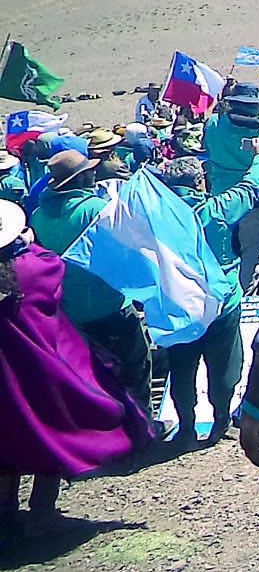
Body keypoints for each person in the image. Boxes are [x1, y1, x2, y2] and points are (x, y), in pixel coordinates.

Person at [0, 201, 152, 542]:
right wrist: (30, 242)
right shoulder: (34, 269)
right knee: (52, 432)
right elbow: (51, 264)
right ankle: (41, 512)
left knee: (5, 443)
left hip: (3, 379)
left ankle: (5, 515)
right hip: (39, 372)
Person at [159, 140, 259, 446]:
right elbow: (251, 187)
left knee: (181, 367)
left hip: (177, 303)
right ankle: (222, 421)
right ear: (199, 182)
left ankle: (186, 428)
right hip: (221, 302)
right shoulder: (216, 209)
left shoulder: (156, 219)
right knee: (225, 365)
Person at [30, 150, 155, 417]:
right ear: (80, 178)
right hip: (111, 304)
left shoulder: (39, 215)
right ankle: (145, 426)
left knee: (98, 374)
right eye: (89, 171)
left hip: (72, 310)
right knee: (136, 367)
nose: (94, 173)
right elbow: (128, 250)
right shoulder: (97, 209)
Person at [202, 83, 259, 292]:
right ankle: (244, 294)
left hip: (219, 197)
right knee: (252, 250)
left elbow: (206, 147)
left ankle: (219, 289)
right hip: (252, 199)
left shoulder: (213, 123)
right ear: (256, 106)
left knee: (220, 248)